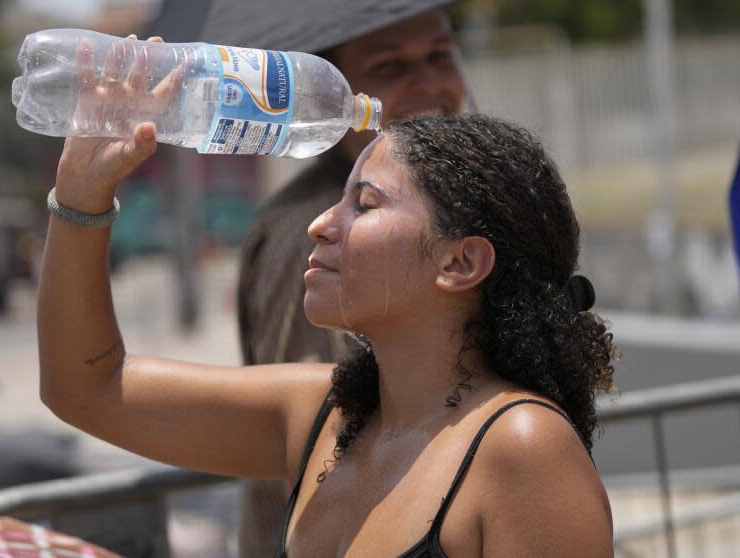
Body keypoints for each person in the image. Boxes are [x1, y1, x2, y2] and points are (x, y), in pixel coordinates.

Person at [36, 40, 617, 554]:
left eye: (363, 204)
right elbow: (89, 388)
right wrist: (81, 196)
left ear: (460, 262)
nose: (319, 223)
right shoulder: (323, 414)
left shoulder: (522, 449)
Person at [236, 11, 469, 552]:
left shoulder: (449, 207)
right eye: (390, 65)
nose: (429, 84)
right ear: (330, 91)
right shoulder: (310, 232)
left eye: (440, 55)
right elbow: (321, 437)